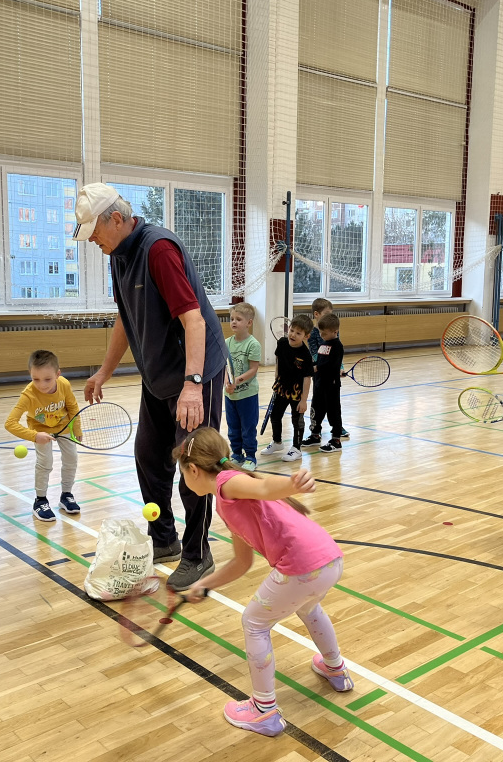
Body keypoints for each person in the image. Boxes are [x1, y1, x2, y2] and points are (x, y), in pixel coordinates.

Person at [77, 183, 226, 591]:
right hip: (158, 375)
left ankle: (198, 554)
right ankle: (165, 540)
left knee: (194, 465)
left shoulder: (158, 250)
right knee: (148, 456)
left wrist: (193, 385)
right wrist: (104, 371)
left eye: (94, 231)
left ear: (117, 219)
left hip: (194, 373)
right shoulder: (118, 256)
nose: (91, 240)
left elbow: (194, 321)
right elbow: (125, 318)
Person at [175, 428, 353, 737]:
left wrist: (292, 484)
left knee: (254, 623)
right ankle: (335, 669)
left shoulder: (227, 482)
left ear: (193, 470)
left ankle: (263, 710)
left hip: (301, 567)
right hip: (329, 561)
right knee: (308, 608)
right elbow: (241, 562)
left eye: (182, 474)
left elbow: (266, 487)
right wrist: (205, 585)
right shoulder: (229, 498)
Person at [5, 350, 82, 522]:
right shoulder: (28, 395)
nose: (42, 385)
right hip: (40, 429)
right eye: (36, 379)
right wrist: (34, 435)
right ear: (30, 375)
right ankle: (40, 501)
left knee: (71, 459)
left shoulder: (64, 384)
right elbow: (10, 423)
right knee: (45, 463)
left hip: (64, 425)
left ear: (58, 374)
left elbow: (72, 407)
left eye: (47, 379)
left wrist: (77, 429)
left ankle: (66, 495)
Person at [261, 314, 314, 462]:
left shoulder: (306, 355)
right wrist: (276, 377)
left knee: (297, 421)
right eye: (291, 330)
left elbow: (307, 379)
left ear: (306, 336)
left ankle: (296, 448)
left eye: (298, 333)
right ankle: (277, 442)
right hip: (281, 388)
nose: (293, 335)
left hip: (297, 392)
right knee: (275, 415)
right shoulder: (282, 343)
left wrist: (303, 400)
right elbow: (278, 359)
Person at [224, 302, 262, 472]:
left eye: (238, 319)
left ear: (249, 322)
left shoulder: (253, 344)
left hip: (247, 395)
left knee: (248, 427)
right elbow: (224, 367)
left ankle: (251, 457)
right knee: (233, 426)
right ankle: (237, 454)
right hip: (230, 395)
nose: (233, 322)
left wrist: (236, 381)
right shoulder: (226, 343)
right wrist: (227, 383)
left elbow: (253, 369)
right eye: (232, 318)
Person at [308, 298, 350, 440]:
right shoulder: (313, 333)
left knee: (333, 406)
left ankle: (337, 429)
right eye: (326, 313)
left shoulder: (333, 332)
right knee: (317, 404)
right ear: (316, 314)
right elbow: (315, 353)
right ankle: (315, 431)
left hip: (330, 379)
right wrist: (316, 367)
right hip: (318, 376)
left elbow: (337, 357)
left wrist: (340, 368)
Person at [302, 312, 344, 453]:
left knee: (333, 412)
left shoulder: (337, 346)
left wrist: (316, 368)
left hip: (331, 386)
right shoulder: (324, 344)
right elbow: (320, 361)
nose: (321, 335)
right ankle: (315, 435)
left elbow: (331, 365)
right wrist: (313, 365)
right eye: (320, 332)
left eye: (324, 333)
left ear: (335, 331)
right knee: (316, 410)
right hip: (319, 384)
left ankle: (336, 440)